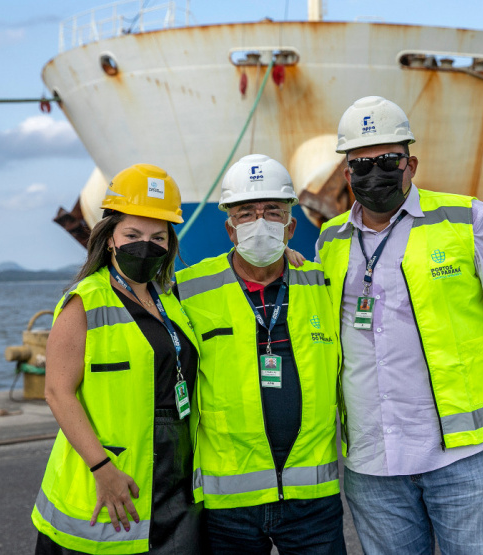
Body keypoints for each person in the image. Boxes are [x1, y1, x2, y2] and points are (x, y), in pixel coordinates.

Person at [315, 96, 483, 554]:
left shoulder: (468, 218)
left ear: (411, 164)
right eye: (361, 165)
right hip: (371, 458)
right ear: (346, 176)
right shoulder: (329, 239)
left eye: (387, 162)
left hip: (458, 451)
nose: (373, 174)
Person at [176, 154, 346, 554]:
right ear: (230, 229)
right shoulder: (187, 290)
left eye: (272, 212)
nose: (260, 222)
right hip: (228, 503)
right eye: (246, 213)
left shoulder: (324, 283)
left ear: (291, 226)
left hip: (312, 500)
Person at [32, 164, 204, 555]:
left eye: (158, 237)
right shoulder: (85, 300)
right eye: (133, 234)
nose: (146, 245)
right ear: (110, 238)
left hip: (174, 480)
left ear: (169, 243)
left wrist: (288, 257)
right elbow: (58, 393)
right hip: (108, 480)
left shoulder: (170, 300)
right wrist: (102, 468)